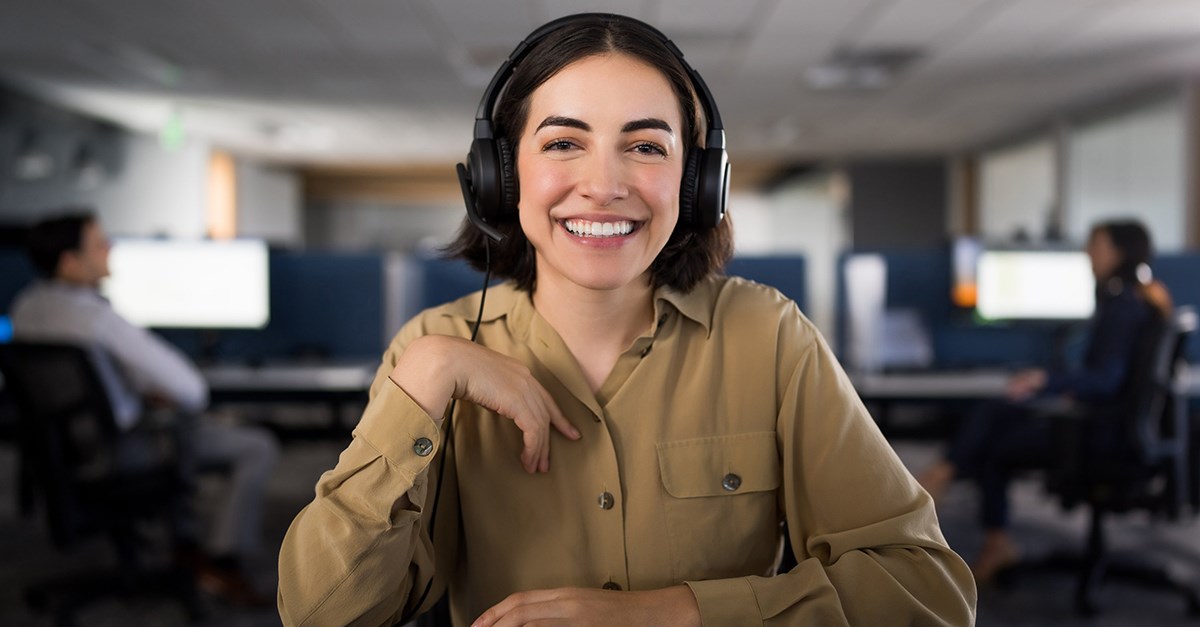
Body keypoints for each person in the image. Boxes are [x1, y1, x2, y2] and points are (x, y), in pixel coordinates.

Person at [278, 13, 975, 626]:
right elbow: (322, 612)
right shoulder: (433, 352)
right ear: (501, 176)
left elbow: (926, 592)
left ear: (697, 184)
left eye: (645, 146)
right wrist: (426, 375)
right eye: (563, 143)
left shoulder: (767, 337)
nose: (606, 184)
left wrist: (672, 612)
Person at [11, 211, 280, 606]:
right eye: (100, 244)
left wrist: (133, 388)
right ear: (69, 262)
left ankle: (186, 546)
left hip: (66, 455)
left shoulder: (25, 308)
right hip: (123, 452)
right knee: (255, 445)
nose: (111, 249)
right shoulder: (94, 317)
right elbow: (191, 389)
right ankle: (220, 560)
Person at [919, 219, 1174, 582]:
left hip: (1099, 435)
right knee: (999, 410)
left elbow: (1106, 379)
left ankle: (948, 485)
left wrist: (1049, 379)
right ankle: (950, 482)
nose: (1087, 253)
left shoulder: (1124, 307)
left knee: (995, 438)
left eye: (1096, 245)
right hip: (1105, 425)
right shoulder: (1141, 299)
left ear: (1120, 252)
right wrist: (1057, 383)